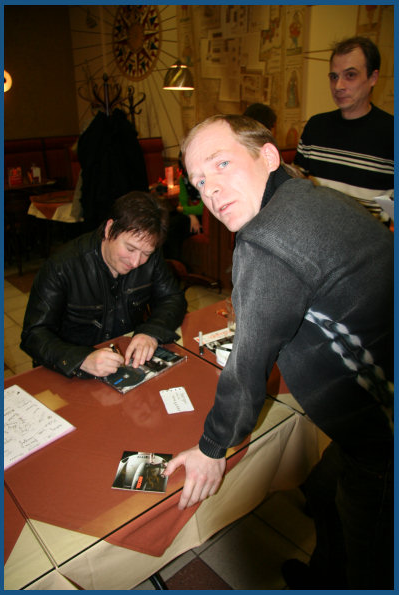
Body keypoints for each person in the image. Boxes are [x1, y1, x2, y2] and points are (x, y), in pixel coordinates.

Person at [164, 114, 393, 589]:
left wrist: (211, 449)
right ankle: (327, 575)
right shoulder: (307, 194)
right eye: (200, 181)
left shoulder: (266, 239)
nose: (210, 191)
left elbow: (247, 369)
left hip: (385, 432)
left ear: (268, 155)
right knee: (323, 485)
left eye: (221, 164)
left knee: (371, 545)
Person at [21, 191, 187, 378]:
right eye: (130, 248)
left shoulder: (151, 258)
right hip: (72, 372)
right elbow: (33, 334)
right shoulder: (61, 266)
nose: (135, 261)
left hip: (124, 364)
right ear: (109, 229)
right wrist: (81, 359)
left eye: (146, 253)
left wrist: (150, 332)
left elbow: (172, 298)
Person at [294, 36, 394, 222]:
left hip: (369, 245)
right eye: (334, 77)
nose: (338, 86)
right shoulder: (315, 126)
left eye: (350, 75)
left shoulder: (391, 132)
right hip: (316, 237)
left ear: (373, 77)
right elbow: (298, 186)